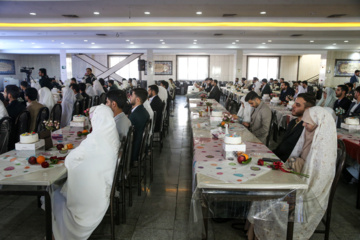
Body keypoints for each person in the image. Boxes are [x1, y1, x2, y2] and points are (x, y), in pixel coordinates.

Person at [248, 106, 337, 240]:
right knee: (264, 189)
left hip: (309, 192)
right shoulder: (308, 133)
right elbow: (296, 157)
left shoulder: (324, 146)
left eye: (308, 123)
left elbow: (315, 181)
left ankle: (269, 234)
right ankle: (256, 233)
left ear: (319, 124)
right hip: (298, 178)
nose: (304, 125)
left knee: (268, 197)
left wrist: (297, 167)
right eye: (304, 122)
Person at [52, 105, 120, 240]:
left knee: (55, 195)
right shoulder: (111, 135)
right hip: (105, 185)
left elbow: (70, 160)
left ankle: (58, 235)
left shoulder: (96, 140)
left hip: (94, 195)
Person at [273, 93, 316, 162]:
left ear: (307, 109)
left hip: (288, 161)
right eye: (294, 103)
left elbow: (297, 151)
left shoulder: (307, 127)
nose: (293, 106)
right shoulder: (293, 121)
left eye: (297, 105)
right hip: (278, 155)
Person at [128, 88, 150, 162]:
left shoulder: (135, 115)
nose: (130, 97)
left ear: (137, 99)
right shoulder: (142, 111)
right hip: (141, 148)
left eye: (132, 95)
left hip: (134, 151)